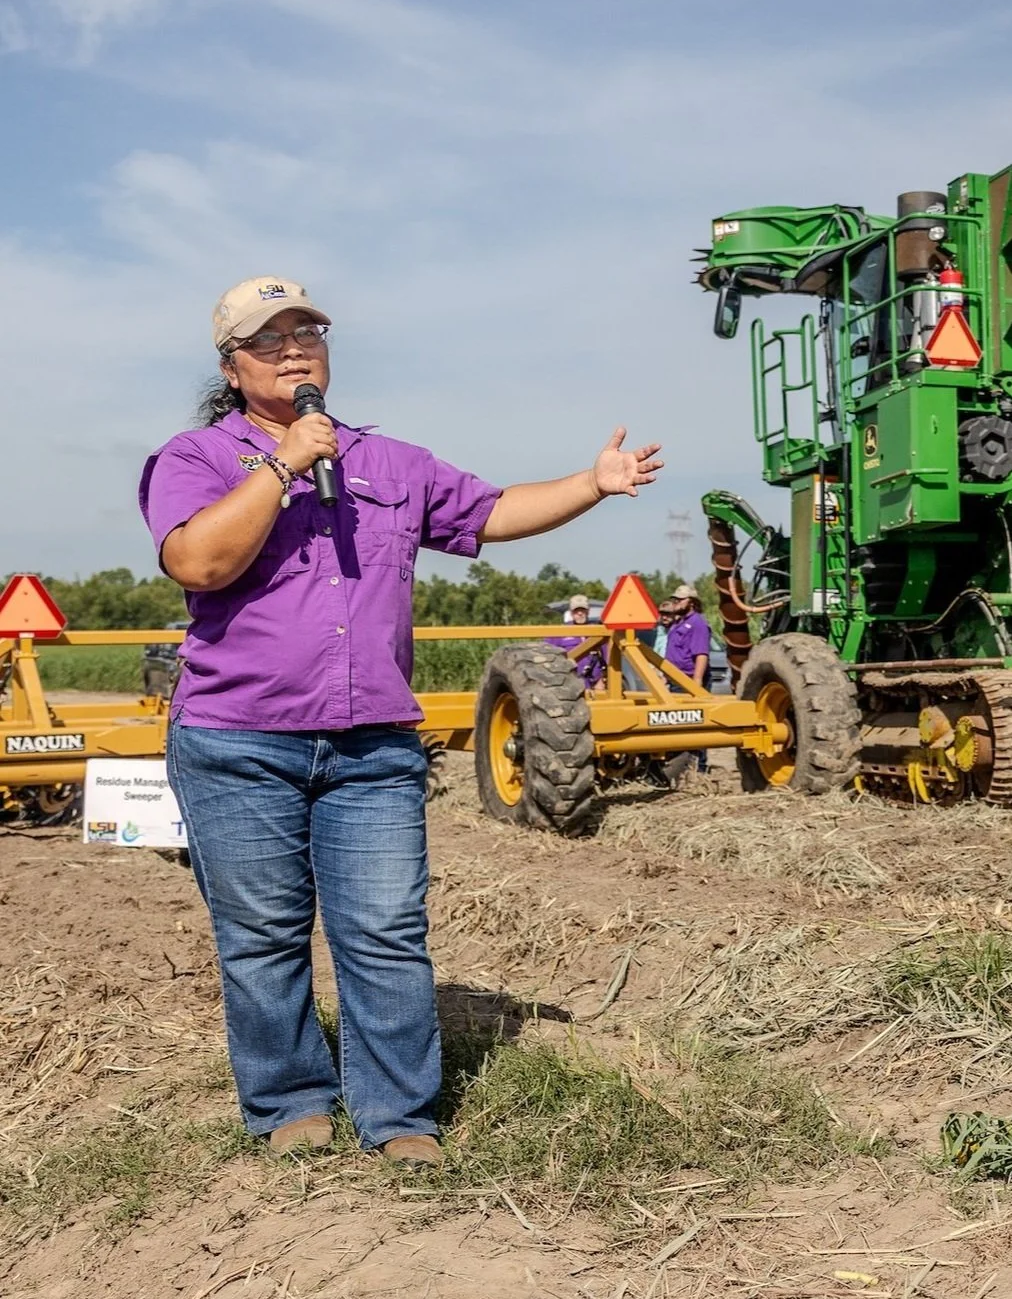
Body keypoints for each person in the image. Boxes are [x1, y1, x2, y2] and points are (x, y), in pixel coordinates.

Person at [139, 276, 662, 1167]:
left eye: (307, 332)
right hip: (237, 740)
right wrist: (283, 465)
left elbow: (491, 512)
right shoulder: (195, 457)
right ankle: (289, 1103)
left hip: (371, 744)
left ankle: (398, 1115)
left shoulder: (389, 463)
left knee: (384, 931)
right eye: (268, 340)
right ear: (231, 368)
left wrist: (591, 484)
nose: (293, 349)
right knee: (262, 937)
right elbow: (199, 561)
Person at [663, 584, 713, 774]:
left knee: (695, 723)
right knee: (679, 725)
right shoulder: (679, 623)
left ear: (691, 602)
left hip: (688, 681)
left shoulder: (697, 623)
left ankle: (698, 768)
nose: (675, 602)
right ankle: (681, 765)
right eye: (674, 599)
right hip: (676, 680)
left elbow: (701, 654)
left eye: (680, 599)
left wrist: (696, 682)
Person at [549, 593, 604, 688]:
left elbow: (608, 658)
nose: (580, 613)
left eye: (583, 610)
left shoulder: (598, 631)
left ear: (588, 611)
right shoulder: (560, 632)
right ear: (571, 613)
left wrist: (602, 680)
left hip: (594, 684)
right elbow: (548, 655)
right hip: (568, 684)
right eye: (576, 610)